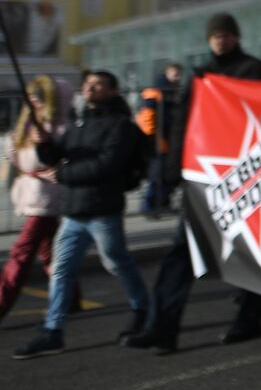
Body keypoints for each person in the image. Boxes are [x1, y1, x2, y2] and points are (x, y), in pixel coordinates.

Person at [123, 13, 261, 354]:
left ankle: (249, 318)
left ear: (236, 37)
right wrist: (172, 170)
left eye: (226, 34)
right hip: (203, 175)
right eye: (215, 35)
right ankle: (162, 327)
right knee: (180, 253)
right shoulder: (198, 74)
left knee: (250, 250)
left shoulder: (250, 69)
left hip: (241, 175)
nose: (220, 40)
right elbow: (182, 123)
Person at [12, 70, 150, 359]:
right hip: (73, 213)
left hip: (103, 211)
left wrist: (63, 174)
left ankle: (143, 309)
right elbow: (57, 155)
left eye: (98, 84)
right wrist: (44, 143)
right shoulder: (80, 122)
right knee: (61, 269)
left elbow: (106, 166)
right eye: (88, 84)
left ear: (112, 91)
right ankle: (53, 331)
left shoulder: (120, 126)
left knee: (117, 263)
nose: (90, 88)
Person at [0, 75, 76, 324]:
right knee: (50, 251)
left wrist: (44, 145)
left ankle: (2, 301)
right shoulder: (28, 125)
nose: (35, 103)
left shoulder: (61, 129)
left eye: (40, 99)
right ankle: (70, 297)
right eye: (32, 99)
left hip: (46, 197)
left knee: (21, 252)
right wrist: (14, 146)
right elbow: (18, 158)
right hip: (33, 193)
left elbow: (59, 158)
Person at [137, 62, 183, 213]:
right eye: (175, 74)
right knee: (157, 173)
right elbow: (147, 116)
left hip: (167, 137)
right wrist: (151, 136)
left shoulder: (172, 92)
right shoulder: (157, 92)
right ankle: (150, 205)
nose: (177, 78)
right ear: (167, 73)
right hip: (158, 138)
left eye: (179, 75)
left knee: (165, 173)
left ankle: (161, 203)